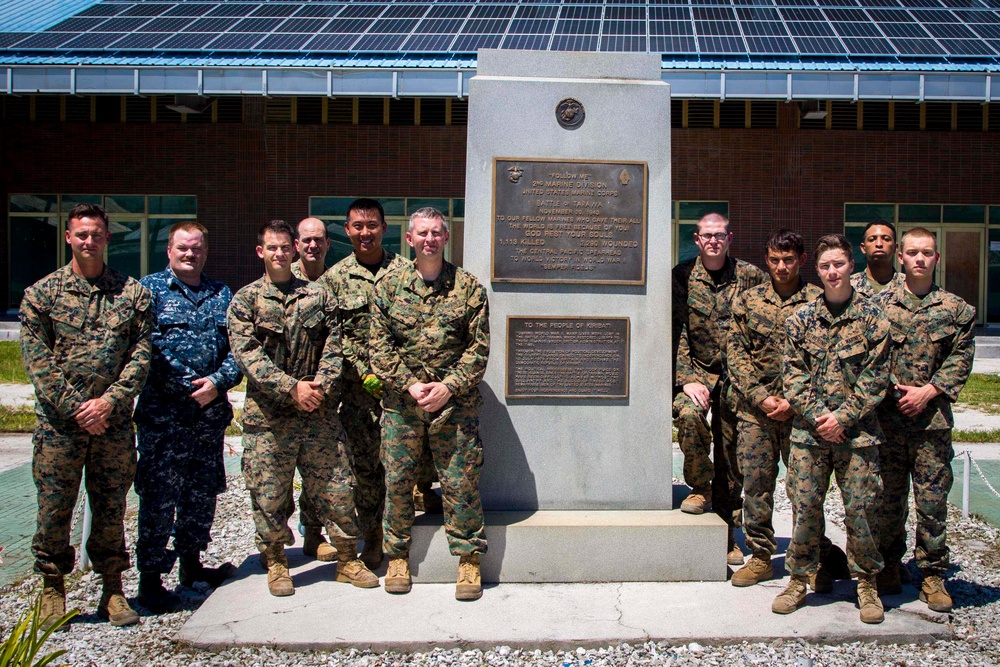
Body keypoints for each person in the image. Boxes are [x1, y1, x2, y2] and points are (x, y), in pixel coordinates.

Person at [228, 219, 378, 596]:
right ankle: (278, 562)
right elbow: (249, 357)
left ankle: (347, 558)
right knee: (269, 494)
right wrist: (292, 388)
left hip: (318, 414)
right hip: (271, 419)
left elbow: (335, 346)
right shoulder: (245, 301)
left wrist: (319, 388)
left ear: (293, 250)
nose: (280, 253)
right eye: (272, 248)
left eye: (285, 247)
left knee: (338, 487)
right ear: (261, 252)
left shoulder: (318, 296)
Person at [20, 203, 151, 628]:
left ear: (108, 238)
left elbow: (141, 356)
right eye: (81, 234)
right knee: (55, 507)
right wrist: (79, 408)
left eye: (96, 234)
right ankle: (52, 589)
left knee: (111, 507)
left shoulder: (131, 294)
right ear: (68, 237)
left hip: (112, 426)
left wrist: (109, 403)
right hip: (61, 428)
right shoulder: (41, 295)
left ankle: (112, 589)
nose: (89, 241)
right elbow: (38, 362)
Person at [370, 207, 490, 600]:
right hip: (403, 407)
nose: (429, 240)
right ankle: (398, 556)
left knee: (461, 483)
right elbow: (379, 346)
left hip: (454, 408)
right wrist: (411, 385)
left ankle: (469, 559)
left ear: (446, 238)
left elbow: (479, 349)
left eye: (436, 233)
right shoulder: (388, 287)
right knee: (399, 483)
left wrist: (449, 387)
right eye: (422, 233)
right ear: (408, 239)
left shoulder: (468, 287)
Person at [774, 234, 889, 624]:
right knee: (805, 510)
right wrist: (823, 416)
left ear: (850, 266)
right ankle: (798, 579)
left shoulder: (874, 319)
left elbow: (877, 377)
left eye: (838, 264)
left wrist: (843, 418)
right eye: (825, 266)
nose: (832, 271)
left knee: (861, 510)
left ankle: (867, 583)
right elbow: (792, 377)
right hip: (810, 435)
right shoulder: (800, 320)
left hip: (858, 436)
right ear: (817, 270)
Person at [134, 222, 241, 613]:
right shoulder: (147, 292)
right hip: (165, 417)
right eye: (183, 248)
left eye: (196, 248)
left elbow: (238, 349)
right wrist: (188, 385)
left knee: (201, 492)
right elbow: (147, 347)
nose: (190, 254)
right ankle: (150, 580)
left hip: (208, 417)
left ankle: (192, 566)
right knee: (160, 497)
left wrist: (216, 382)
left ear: (205, 251)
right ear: (169, 250)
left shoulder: (220, 294)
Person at [874, 228, 975, 612]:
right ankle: (888, 568)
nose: (919, 259)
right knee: (888, 500)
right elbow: (868, 356)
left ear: (936, 258)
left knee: (932, 502)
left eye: (927, 253)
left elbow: (960, 360)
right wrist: (891, 389)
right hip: (889, 420)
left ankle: (932, 574)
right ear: (900, 257)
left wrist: (927, 392)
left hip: (931, 424)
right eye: (912, 252)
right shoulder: (879, 306)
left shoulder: (956, 310)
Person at [726, 229, 821, 587]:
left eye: (789, 260)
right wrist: (762, 397)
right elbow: (735, 353)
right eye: (775, 260)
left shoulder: (818, 301)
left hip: (802, 415)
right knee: (757, 487)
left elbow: (824, 360)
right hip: (756, 413)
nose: (782, 267)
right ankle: (762, 556)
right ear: (766, 260)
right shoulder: (748, 301)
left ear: (801, 260)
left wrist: (794, 401)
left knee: (805, 489)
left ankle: (807, 560)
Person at [671, 212, 766, 565]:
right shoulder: (681, 276)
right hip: (697, 373)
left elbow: (760, 330)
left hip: (738, 377)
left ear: (730, 238)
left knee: (732, 454)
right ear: (697, 240)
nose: (713, 240)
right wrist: (687, 378)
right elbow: (677, 331)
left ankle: (728, 535)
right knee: (690, 416)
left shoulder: (751, 276)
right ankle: (700, 485)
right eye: (707, 235)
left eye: (720, 235)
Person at [320, 199, 408, 569]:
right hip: (358, 395)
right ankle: (372, 537)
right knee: (366, 470)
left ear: (384, 228)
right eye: (357, 225)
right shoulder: (334, 279)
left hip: (402, 393)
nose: (365, 232)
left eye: (372, 225)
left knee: (403, 469)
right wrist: (363, 372)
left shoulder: (406, 271)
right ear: (347, 229)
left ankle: (402, 538)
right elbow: (331, 335)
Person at [284, 216, 337, 563]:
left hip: (326, 393)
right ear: (295, 245)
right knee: (277, 475)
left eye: (319, 239)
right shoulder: (280, 280)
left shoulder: (336, 283)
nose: (313, 245)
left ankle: (314, 533)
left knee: (321, 470)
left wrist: (322, 386)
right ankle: (271, 541)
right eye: (306, 240)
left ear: (327, 244)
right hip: (283, 395)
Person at [852, 220, 905, 298]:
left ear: (895, 247)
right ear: (863, 248)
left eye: (886, 239)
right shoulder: (849, 286)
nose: (879, 244)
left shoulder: (909, 285)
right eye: (872, 239)